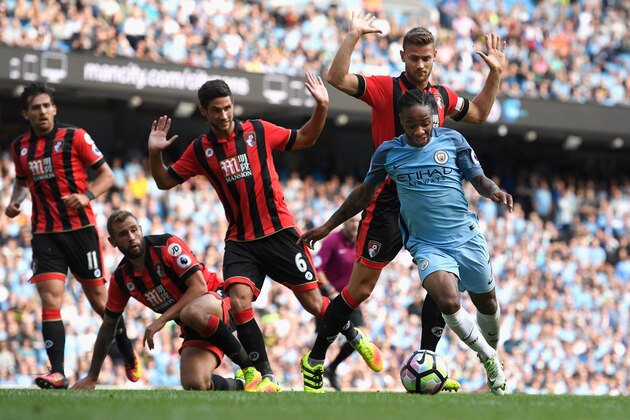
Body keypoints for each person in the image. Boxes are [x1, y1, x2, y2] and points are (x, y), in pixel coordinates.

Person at [307, 11, 506, 392]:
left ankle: (427, 363)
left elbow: (479, 113)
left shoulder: (443, 97)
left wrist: (494, 73)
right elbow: (336, 78)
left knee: (442, 285)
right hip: (385, 201)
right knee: (359, 290)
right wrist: (353, 36)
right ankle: (315, 358)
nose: (420, 64)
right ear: (402, 56)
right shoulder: (384, 89)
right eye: (413, 58)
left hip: (430, 205)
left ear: (435, 58)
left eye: (426, 58)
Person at [147, 72, 382, 393]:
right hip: (241, 243)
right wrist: (154, 152)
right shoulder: (201, 150)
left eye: (228, 107)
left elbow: (304, 138)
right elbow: (164, 181)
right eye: (216, 110)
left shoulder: (257, 130)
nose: (224, 115)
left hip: (281, 234)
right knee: (239, 301)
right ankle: (263, 374)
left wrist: (322, 107)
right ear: (204, 111)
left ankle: (355, 335)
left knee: (315, 304)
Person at [4, 82, 139, 389]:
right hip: (44, 233)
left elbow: (108, 175)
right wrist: (15, 201)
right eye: (35, 107)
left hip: (81, 231)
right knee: (50, 299)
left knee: (100, 302)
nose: (42, 112)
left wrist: (86, 196)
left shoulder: (75, 137)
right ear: (26, 113)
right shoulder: (20, 147)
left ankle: (127, 349)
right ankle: (58, 372)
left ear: (54, 109)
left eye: (46, 106)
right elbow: (22, 182)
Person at [71, 210, 262, 391]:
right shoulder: (122, 279)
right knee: (194, 383)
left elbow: (199, 287)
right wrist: (92, 376)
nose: (131, 237)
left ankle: (250, 368)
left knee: (191, 312)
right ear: (113, 242)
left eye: (134, 230)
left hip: (219, 300)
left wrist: (161, 320)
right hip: (193, 322)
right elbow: (108, 326)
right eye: (123, 234)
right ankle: (243, 386)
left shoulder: (167, 246)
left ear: (141, 229)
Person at [313, 216, 363, 391]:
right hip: (329, 296)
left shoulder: (362, 241)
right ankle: (315, 374)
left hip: (350, 296)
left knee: (362, 335)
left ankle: (332, 369)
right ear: (345, 223)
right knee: (325, 338)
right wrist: (330, 290)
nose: (355, 225)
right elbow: (317, 267)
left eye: (358, 222)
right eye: (351, 221)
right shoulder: (333, 240)